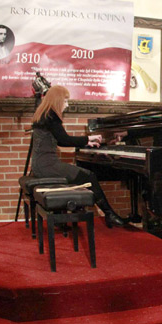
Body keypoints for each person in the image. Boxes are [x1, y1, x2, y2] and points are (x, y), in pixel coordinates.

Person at [30, 85, 125, 227]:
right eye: (66, 101)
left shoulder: (43, 114)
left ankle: (65, 214)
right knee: (89, 176)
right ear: (58, 100)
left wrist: (87, 141)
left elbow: (63, 139)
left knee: (81, 176)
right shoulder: (51, 116)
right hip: (47, 166)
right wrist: (88, 139)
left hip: (40, 165)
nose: (67, 105)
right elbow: (64, 141)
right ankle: (109, 214)